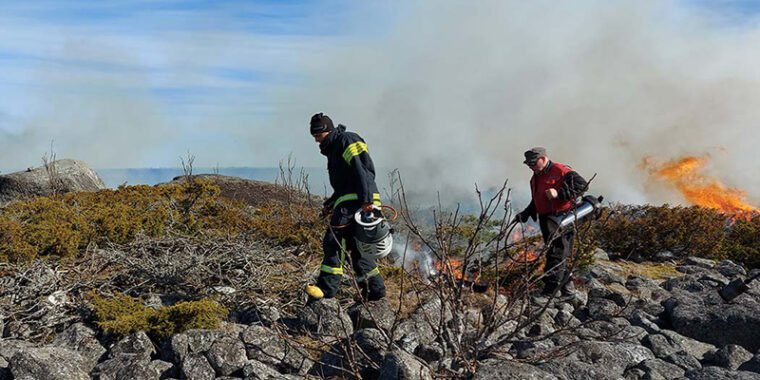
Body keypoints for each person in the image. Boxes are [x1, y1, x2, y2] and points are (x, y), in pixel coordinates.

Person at [306, 113, 386, 301]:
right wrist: (331, 204)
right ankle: (374, 291)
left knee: (334, 241)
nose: (317, 141)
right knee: (359, 249)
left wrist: (367, 201)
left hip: (358, 202)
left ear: (327, 130)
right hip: (353, 201)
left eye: (318, 136)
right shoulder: (335, 148)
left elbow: (362, 169)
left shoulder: (347, 139)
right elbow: (345, 185)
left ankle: (326, 289)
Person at [516, 147, 588, 296]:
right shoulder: (535, 177)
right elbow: (537, 200)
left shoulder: (560, 170)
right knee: (558, 252)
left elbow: (582, 185)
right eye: (528, 164)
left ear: (543, 159)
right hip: (547, 220)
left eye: (533, 163)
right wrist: (527, 213)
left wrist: (560, 194)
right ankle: (567, 288)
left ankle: (551, 292)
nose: (530, 167)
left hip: (562, 218)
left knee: (556, 253)